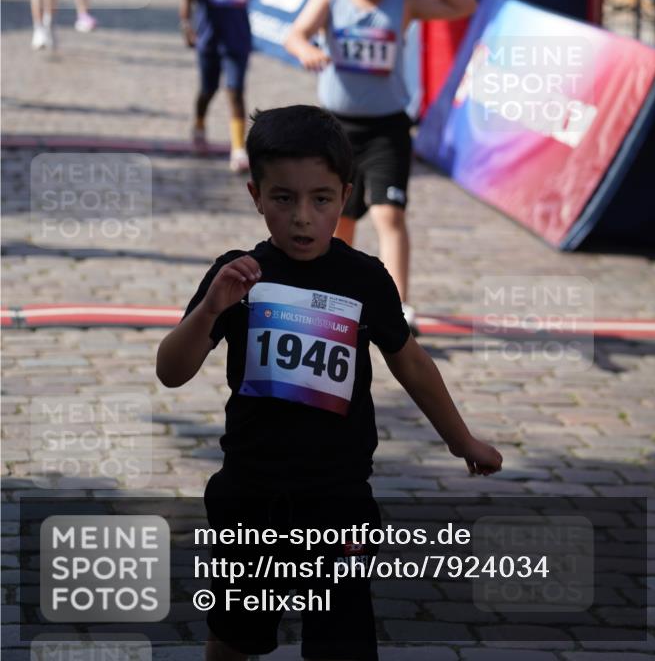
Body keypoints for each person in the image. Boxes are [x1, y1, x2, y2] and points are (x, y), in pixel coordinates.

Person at [156, 104, 502, 661]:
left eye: (320, 199)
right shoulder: (239, 273)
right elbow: (171, 371)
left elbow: (409, 361)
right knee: (235, 636)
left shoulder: (363, 277)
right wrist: (208, 310)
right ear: (256, 196)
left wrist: (461, 440)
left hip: (337, 498)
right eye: (283, 199)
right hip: (251, 496)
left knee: (341, 643)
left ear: (345, 195)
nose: (301, 218)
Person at [284, 0, 477, 331]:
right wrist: (305, 50)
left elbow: (463, 5)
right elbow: (295, 33)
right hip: (335, 131)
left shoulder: (401, 2)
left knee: (390, 215)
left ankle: (398, 304)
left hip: (388, 129)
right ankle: (336, 296)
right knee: (341, 219)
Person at [178, 0, 255, 170]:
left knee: (235, 90)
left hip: (237, 40)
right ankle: (199, 122)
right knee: (208, 89)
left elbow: (245, 0)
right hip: (209, 39)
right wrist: (187, 26)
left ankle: (238, 148)